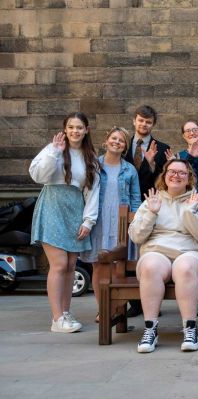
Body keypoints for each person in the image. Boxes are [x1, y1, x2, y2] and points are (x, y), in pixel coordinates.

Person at [129, 159, 198, 353]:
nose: (176, 175)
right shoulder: (153, 199)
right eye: (172, 171)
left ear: (189, 178)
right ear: (164, 175)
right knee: (150, 266)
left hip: (192, 252)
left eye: (182, 173)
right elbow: (136, 236)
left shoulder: (197, 201)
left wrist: (189, 213)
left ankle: (190, 329)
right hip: (157, 251)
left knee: (184, 268)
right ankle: (150, 329)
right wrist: (151, 213)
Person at [29, 112, 100, 333]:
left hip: (75, 209)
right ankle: (57, 318)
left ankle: (66, 312)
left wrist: (88, 221)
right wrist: (55, 153)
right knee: (59, 264)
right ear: (65, 129)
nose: (75, 131)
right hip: (52, 205)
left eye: (79, 127)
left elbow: (92, 191)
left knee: (70, 265)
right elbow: (38, 176)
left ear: (86, 130)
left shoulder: (90, 157)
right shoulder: (53, 149)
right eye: (71, 127)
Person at [80, 127, 141, 322]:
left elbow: (135, 198)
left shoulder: (129, 169)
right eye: (114, 138)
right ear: (106, 140)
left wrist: (136, 223)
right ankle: (103, 308)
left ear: (125, 146)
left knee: (118, 268)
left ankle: (116, 309)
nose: (117, 142)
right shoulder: (93, 165)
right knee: (99, 266)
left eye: (121, 140)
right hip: (98, 221)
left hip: (120, 223)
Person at [124, 105, 170, 318]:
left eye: (148, 122)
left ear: (153, 124)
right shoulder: (122, 144)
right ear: (134, 121)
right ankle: (134, 303)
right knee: (127, 254)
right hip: (124, 205)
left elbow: (163, 182)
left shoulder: (162, 148)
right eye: (141, 120)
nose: (144, 124)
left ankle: (152, 301)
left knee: (148, 253)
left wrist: (150, 166)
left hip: (149, 206)